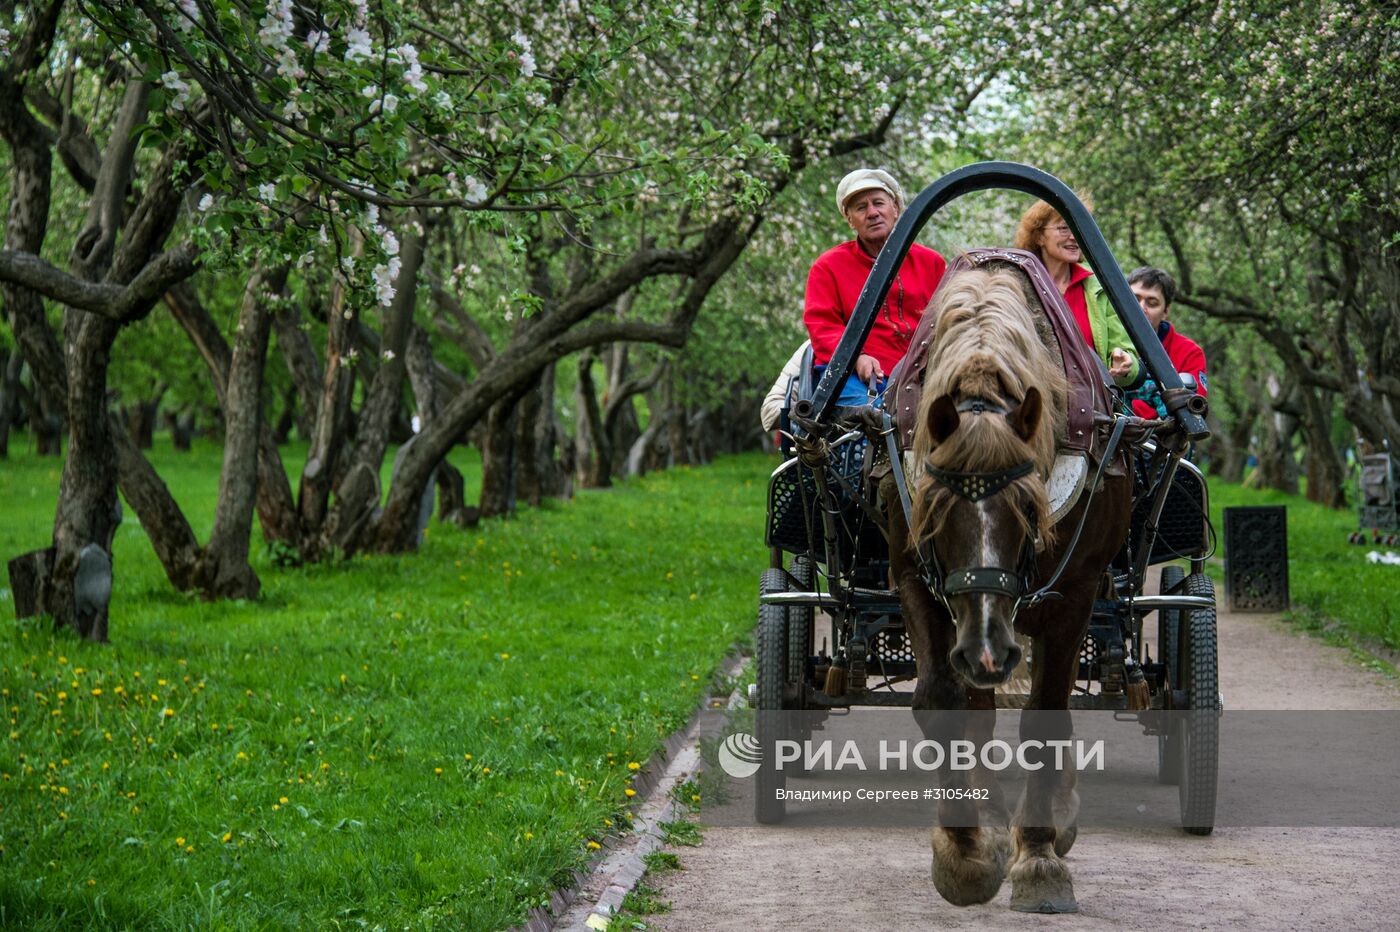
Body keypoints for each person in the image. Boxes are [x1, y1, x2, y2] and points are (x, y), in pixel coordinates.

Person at [804, 168, 946, 407]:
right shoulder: (827, 267)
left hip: (924, 370)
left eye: (878, 203)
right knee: (870, 417)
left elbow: (948, 320)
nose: (872, 213)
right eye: (861, 208)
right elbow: (822, 326)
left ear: (895, 209)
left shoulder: (931, 262)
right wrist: (856, 358)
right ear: (850, 220)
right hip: (852, 374)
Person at [1014, 199, 1140, 388]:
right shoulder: (1018, 285)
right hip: (1032, 400)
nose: (1073, 236)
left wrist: (1124, 364)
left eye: (1077, 229)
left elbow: (1125, 354)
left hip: (1092, 405)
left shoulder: (1100, 285)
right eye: (1064, 228)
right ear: (1039, 236)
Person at [1124, 266, 1208, 419]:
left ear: (1165, 311)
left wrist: (1138, 409)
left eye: (1152, 302)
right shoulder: (1103, 339)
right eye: (1134, 299)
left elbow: (1192, 410)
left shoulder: (1189, 352)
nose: (1141, 308)